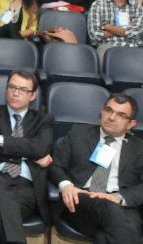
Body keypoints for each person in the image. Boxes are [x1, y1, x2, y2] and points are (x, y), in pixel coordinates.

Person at [0, 70, 55, 244]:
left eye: (23, 90)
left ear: (33, 96)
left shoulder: (43, 120)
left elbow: (40, 148)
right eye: (12, 87)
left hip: (25, 187)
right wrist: (29, 154)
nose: (16, 93)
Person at [50, 93, 143, 243]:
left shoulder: (139, 148)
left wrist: (118, 197)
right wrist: (66, 186)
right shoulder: (78, 134)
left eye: (121, 115)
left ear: (130, 124)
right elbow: (55, 165)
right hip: (81, 201)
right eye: (109, 110)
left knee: (106, 236)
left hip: (122, 205)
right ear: (102, 111)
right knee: (123, 222)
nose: (112, 117)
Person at [87, 0, 143, 66]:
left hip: (133, 47)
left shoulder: (137, 7)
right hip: (107, 46)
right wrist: (124, 28)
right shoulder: (98, 4)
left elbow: (136, 32)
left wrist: (106, 26)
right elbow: (94, 34)